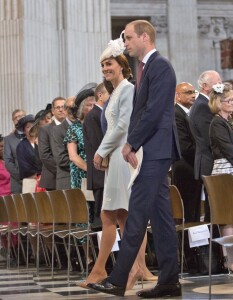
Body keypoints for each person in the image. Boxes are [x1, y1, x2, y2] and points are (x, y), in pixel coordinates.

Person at [88, 20, 181, 298]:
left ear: (144, 37)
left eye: (128, 38)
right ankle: (169, 281)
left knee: (137, 213)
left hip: (154, 149)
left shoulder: (159, 65)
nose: (124, 42)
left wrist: (131, 143)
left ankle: (118, 279)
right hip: (152, 149)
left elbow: (153, 111)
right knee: (161, 218)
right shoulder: (145, 68)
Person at [80, 35, 155, 291]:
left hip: (123, 159)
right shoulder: (116, 93)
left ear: (122, 65)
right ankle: (128, 268)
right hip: (117, 159)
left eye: (109, 64)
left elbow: (123, 126)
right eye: (102, 66)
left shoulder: (128, 90)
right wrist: (105, 154)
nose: (105, 69)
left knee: (116, 215)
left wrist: (100, 153)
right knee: (118, 215)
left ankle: (107, 269)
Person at [209, 82, 233, 274]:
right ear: (218, 102)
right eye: (229, 100)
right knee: (228, 218)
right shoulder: (216, 122)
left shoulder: (226, 122)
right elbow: (227, 148)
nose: (232, 103)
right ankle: (229, 260)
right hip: (225, 170)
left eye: (232, 99)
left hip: (232, 169)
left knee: (232, 218)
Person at [64, 88, 96, 269]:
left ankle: (102, 255)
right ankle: (88, 257)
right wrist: (90, 170)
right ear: (81, 108)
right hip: (81, 176)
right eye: (88, 105)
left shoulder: (97, 124)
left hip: (97, 174)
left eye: (94, 104)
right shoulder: (74, 129)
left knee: (99, 214)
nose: (92, 107)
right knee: (85, 216)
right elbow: (73, 156)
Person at [189, 70, 222, 222]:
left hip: (209, 160)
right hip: (209, 161)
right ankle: (214, 244)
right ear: (205, 86)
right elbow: (210, 137)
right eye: (217, 83)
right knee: (213, 207)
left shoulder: (206, 104)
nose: (220, 86)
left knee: (214, 205)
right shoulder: (202, 106)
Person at [172, 82, 202, 222]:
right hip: (185, 166)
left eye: (193, 92)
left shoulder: (190, 113)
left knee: (195, 212)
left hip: (193, 166)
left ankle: (195, 244)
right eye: (188, 92)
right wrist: (202, 156)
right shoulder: (176, 113)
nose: (193, 95)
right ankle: (186, 244)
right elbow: (184, 145)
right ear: (177, 96)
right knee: (186, 213)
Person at [82, 83, 109, 226]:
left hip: (104, 171)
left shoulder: (102, 114)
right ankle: (104, 248)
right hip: (100, 171)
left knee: (109, 215)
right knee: (101, 217)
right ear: (100, 95)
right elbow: (98, 143)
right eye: (110, 94)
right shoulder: (93, 115)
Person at [38, 98, 66, 191]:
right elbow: (45, 155)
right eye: (58, 107)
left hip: (71, 177)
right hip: (52, 178)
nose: (61, 109)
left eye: (63, 107)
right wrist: (62, 171)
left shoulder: (73, 127)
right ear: (53, 111)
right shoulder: (45, 130)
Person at [52, 96, 76, 190]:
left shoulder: (84, 126)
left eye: (75, 108)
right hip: (67, 179)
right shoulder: (57, 130)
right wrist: (82, 165)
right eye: (69, 108)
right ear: (65, 111)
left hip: (85, 178)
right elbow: (61, 159)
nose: (72, 111)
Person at [3, 109, 26, 193]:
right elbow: (8, 161)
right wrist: (21, 177)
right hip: (17, 183)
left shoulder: (34, 135)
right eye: (15, 117)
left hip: (36, 181)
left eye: (20, 116)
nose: (17, 119)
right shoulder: (8, 139)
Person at [15, 114, 42, 181]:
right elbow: (24, 166)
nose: (31, 128)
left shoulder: (43, 141)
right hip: (30, 179)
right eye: (28, 127)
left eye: (33, 125)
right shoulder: (21, 146)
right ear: (24, 130)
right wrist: (39, 174)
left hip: (47, 179)